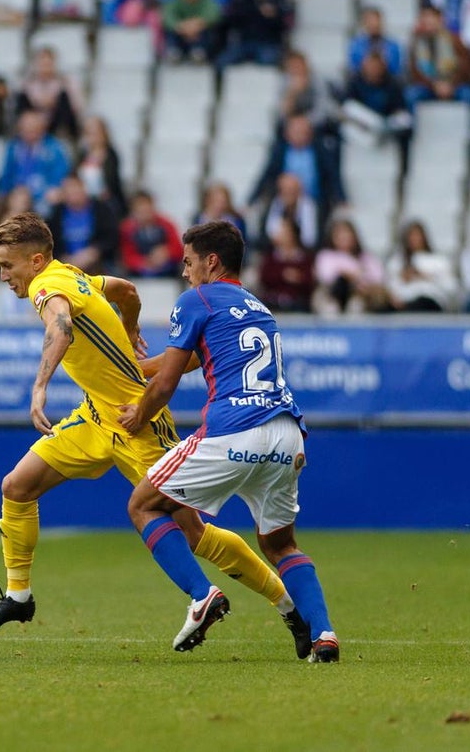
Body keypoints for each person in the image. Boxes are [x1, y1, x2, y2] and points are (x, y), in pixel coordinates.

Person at [0, 213, 310, 660]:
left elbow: (61, 327)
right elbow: (126, 291)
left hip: (138, 419)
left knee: (193, 534)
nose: (3, 276)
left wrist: (38, 388)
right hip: (95, 417)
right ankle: (18, 597)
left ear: (35, 261)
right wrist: (130, 328)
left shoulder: (46, 287)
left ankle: (287, 607)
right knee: (17, 486)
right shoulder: (73, 275)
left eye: (7, 266)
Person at [117, 220, 338, 661]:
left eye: (188, 261)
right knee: (280, 545)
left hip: (236, 429)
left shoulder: (195, 299)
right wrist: (134, 368)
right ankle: (324, 635)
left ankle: (202, 595)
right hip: (288, 434)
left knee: (143, 505)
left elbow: (166, 385)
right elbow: (196, 357)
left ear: (210, 261)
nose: (184, 271)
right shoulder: (257, 306)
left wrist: (139, 414)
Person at [313, 217, 387, 315]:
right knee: (329, 306)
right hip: (332, 295)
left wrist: (358, 280)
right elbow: (327, 277)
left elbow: (378, 277)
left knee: (356, 305)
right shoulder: (326, 256)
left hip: (360, 296)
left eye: (347, 235)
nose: (344, 238)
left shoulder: (366, 258)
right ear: (333, 237)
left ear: (354, 236)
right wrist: (352, 275)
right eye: (339, 236)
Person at [384, 221, 459, 312]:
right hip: (404, 302)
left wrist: (427, 277)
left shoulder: (438, 261)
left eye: (417, 236)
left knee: (420, 304)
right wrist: (402, 279)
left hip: (429, 301)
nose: (414, 240)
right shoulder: (397, 262)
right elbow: (390, 286)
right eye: (411, 236)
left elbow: (451, 288)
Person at [15, 46, 83, 142]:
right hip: (34, 121)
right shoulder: (28, 83)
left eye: (48, 63)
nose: (45, 67)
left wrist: (53, 101)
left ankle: (60, 135)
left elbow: (77, 106)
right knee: (21, 96)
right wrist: (39, 103)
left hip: (56, 121)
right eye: (42, 63)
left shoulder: (65, 82)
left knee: (63, 97)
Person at [119, 190, 183, 277]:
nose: (145, 213)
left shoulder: (166, 224)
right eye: (140, 210)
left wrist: (166, 252)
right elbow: (126, 256)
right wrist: (145, 262)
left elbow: (179, 248)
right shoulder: (127, 229)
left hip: (167, 270)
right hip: (139, 274)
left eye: (147, 209)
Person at [258, 216, 315, 313]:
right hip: (273, 303)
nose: (279, 234)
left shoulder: (305, 258)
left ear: (292, 234)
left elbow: (310, 282)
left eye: (283, 231)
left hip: (298, 304)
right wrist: (283, 275)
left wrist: (298, 278)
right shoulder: (270, 257)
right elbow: (264, 278)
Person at [161, 0, 221, 64]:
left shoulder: (209, 1)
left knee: (211, 30)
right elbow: (168, 18)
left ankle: (199, 53)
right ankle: (174, 52)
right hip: (180, 35)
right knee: (170, 31)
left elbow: (214, 15)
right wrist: (182, 27)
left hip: (200, 35)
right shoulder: (174, 1)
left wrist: (197, 24)